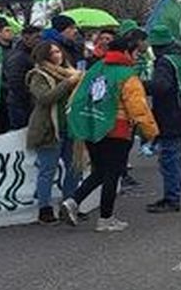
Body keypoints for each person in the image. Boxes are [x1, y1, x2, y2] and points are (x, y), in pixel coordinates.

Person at [57, 29, 159, 232]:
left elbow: (78, 96)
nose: (137, 56)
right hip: (117, 130)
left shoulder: (96, 68)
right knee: (112, 174)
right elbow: (138, 108)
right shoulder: (127, 76)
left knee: (100, 171)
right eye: (136, 53)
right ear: (128, 52)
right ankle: (106, 218)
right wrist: (151, 132)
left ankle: (73, 202)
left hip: (92, 126)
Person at [25, 39, 82, 223]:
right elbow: (45, 98)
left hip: (70, 127)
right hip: (49, 128)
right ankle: (44, 208)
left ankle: (69, 204)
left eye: (58, 51)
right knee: (47, 170)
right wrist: (67, 84)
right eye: (52, 53)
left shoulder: (72, 72)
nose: (57, 56)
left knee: (74, 168)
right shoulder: (38, 75)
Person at [145, 25, 181, 213]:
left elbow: (161, 86)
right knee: (175, 156)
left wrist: (138, 85)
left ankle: (171, 198)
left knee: (169, 158)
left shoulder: (165, 62)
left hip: (171, 115)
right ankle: (173, 194)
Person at [4, 25, 41, 133]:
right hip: (20, 105)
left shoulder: (31, 54)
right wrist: (28, 97)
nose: (39, 41)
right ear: (26, 38)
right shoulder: (18, 57)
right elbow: (15, 82)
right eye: (36, 38)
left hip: (27, 103)